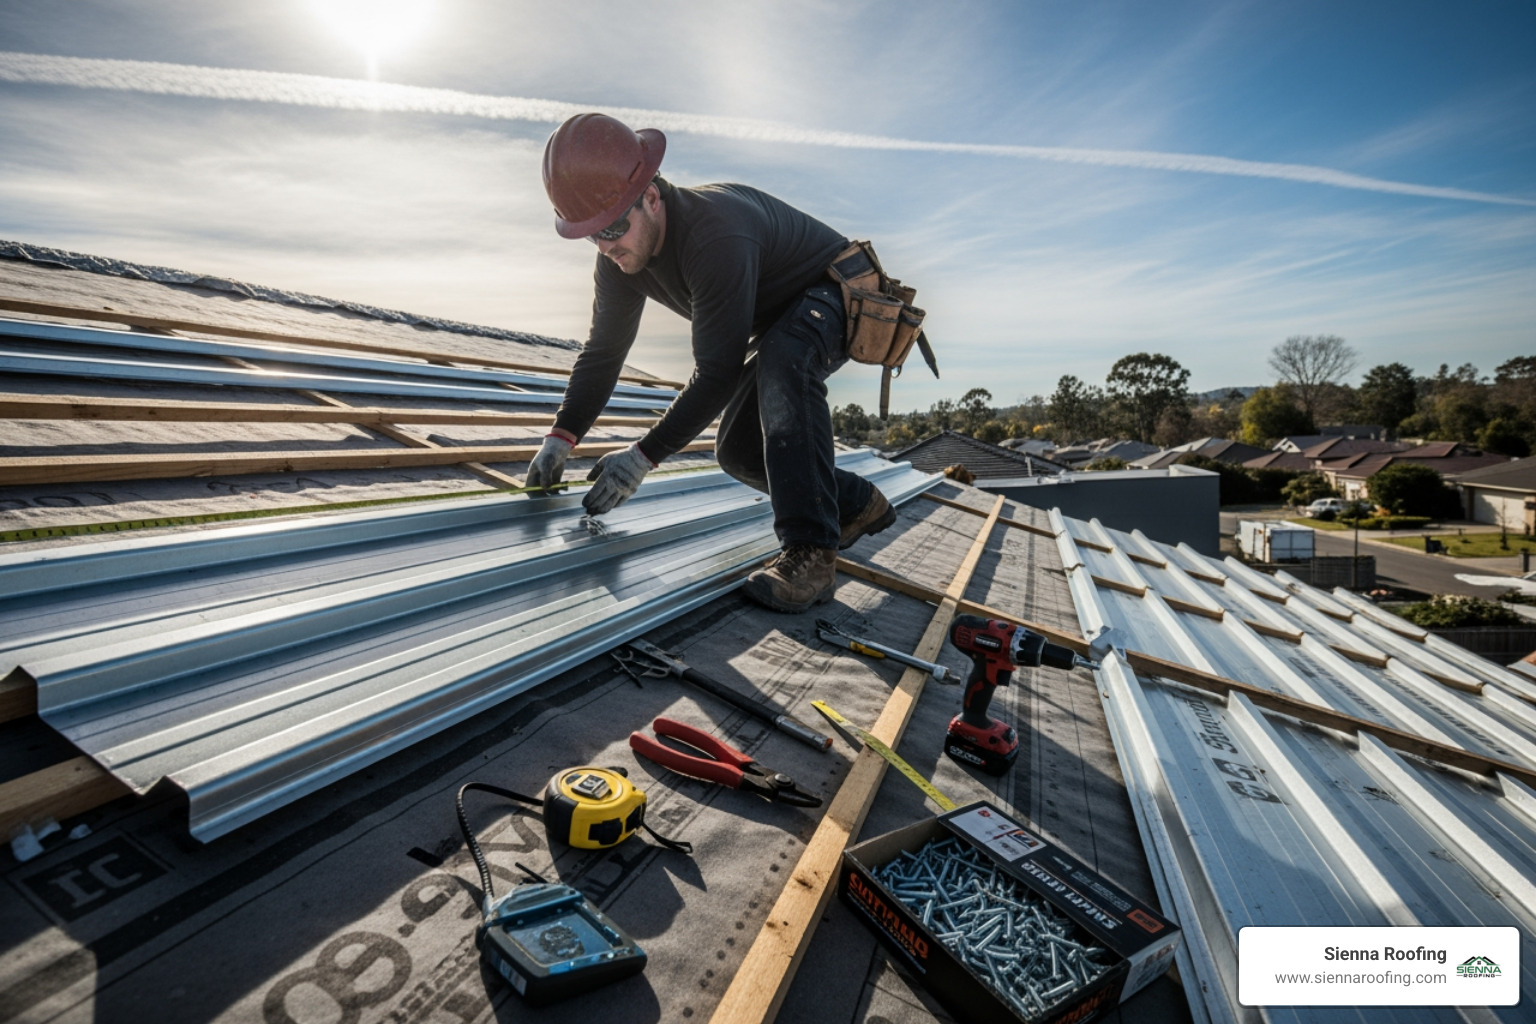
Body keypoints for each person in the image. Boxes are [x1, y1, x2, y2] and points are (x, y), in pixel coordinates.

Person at [524, 112, 896, 613]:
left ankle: (811, 555)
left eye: (613, 227)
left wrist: (640, 458)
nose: (607, 246)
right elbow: (603, 352)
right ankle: (855, 504)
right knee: (738, 452)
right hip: (780, 320)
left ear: (651, 196)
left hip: (834, 292)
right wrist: (560, 437)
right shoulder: (618, 261)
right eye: (592, 235)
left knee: (788, 357)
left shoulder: (713, 234)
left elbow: (717, 371)